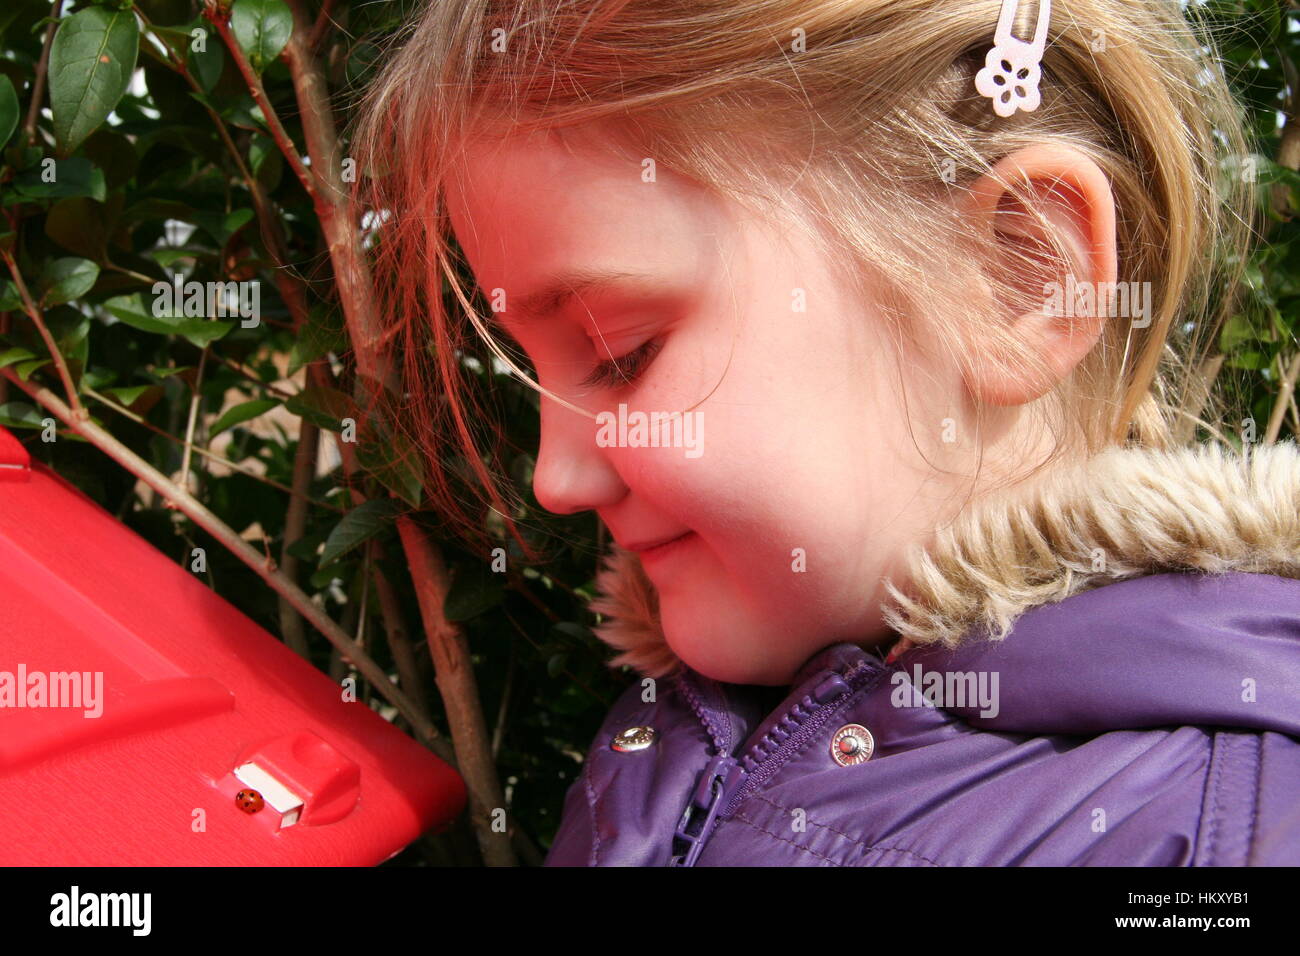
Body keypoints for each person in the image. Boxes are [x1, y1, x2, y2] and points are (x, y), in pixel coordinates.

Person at [350, 0, 1300, 865]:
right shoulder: (672, 740)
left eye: (621, 352)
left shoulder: (1227, 834)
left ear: (1018, 277)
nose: (555, 479)